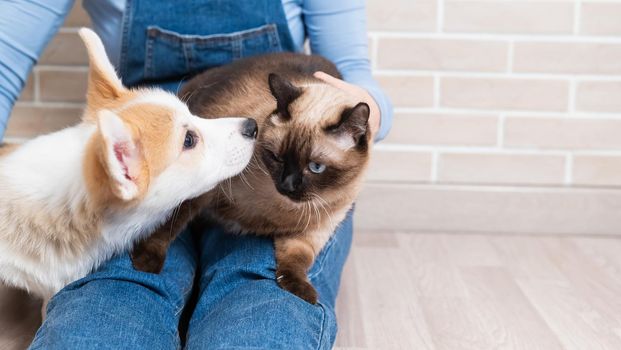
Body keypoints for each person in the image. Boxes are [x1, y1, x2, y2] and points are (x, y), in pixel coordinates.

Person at [0, 0, 393, 348]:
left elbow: (358, 76)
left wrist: (361, 110)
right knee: (109, 301)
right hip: (153, 140)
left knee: (268, 306)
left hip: (265, 131)